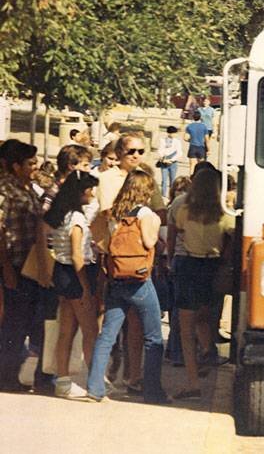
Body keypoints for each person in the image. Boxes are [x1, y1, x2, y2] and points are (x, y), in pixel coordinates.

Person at [86, 169, 170, 404]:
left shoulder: (114, 214)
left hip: (116, 280)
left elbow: (103, 243)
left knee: (107, 336)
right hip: (140, 281)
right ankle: (153, 392)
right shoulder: (146, 214)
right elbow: (149, 242)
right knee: (153, 338)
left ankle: (94, 387)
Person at [171, 167, 234, 399]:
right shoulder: (224, 214)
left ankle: (192, 383)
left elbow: (178, 232)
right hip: (213, 267)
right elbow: (234, 236)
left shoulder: (185, 210)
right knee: (205, 318)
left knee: (186, 329)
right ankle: (208, 350)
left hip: (189, 266)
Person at [44, 171, 100, 398]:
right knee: (89, 330)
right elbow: (78, 256)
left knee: (66, 330)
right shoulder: (76, 219)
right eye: (90, 189)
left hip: (61, 272)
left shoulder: (61, 215)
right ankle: (94, 380)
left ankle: (63, 380)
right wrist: (86, 287)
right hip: (76, 274)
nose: (92, 193)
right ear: (80, 192)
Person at [0, 141, 42, 392]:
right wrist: (5, 268)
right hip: (13, 265)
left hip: (30, 265)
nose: (35, 167)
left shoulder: (28, 188)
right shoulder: (5, 190)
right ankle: (6, 377)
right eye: (30, 163)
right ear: (16, 165)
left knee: (22, 322)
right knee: (12, 325)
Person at [164, 175, 191, 367]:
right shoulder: (187, 204)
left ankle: (174, 350)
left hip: (179, 258)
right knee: (182, 310)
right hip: (185, 258)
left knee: (178, 309)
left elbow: (172, 236)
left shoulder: (175, 205)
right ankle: (178, 351)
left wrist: (170, 258)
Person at [158, 125, 182, 197]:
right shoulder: (162, 140)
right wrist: (163, 158)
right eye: (173, 133)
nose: (174, 135)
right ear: (169, 133)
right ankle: (163, 195)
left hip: (173, 162)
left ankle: (171, 195)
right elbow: (160, 150)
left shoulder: (177, 141)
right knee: (164, 180)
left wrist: (172, 160)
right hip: (164, 161)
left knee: (172, 180)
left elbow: (179, 152)